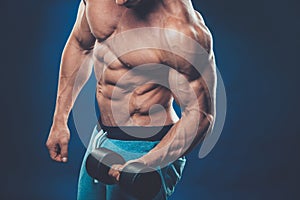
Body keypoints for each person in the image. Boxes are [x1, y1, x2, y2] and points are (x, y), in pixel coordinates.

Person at [46, 0, 217, 199]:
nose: (119, 1)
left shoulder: (181, 30)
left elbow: (200, 115)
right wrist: (59, 119)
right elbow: (80, 45)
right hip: (101, 136)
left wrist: (147, 163)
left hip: (147, 145)